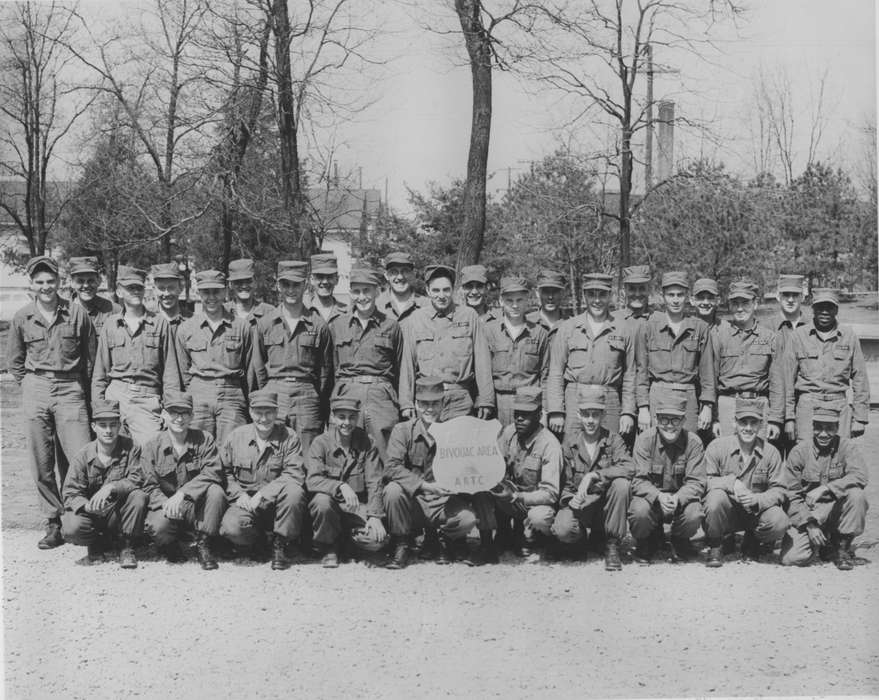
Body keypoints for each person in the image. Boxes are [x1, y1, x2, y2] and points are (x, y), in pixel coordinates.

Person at [7, 255, 95, 549]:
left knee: (80, 455)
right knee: (41, 461)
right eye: (39, 282)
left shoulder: (76, 314)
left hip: (71, 387)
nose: (45, 287)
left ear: (59, 282)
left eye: (50, 281)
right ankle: (53, 521)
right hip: (36, 386)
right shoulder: (22, 317)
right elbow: (15, 362)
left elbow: (91, 359)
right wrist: (32, 385)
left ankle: (80, 517)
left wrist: (81, 389)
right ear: (32, 285)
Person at [384, 377, 498, 566]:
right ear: (415, 404)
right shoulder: (402, 430)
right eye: (424, 404)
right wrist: (425, 486)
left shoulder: (456, 432)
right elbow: (391, 467)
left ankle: (446, 540)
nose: (429, 409)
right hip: (416, 502)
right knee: (392, 491)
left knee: (467, 519)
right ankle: (401, 543)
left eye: (435, 403)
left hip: (444, 502)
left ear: (443, 403)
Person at [305, 395, 408, 568]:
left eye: (352, 417)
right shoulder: (320, 443)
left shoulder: (368, 442)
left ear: (358, 417)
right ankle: (330, 547)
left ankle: (348, 545)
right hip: (332, 509)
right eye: (341, 417)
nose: (347, 422)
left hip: (358, 508)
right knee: (321, 502)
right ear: (332, 417)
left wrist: (375, 516)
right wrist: (340, 486)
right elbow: (313, 480)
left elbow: (375, 481)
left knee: (376, 541)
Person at [218, 389, 308, 570]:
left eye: (269, 413)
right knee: (231, 527)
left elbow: (294, 473)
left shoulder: (289, 437)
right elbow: (223, 472)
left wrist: (263, 494)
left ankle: (280, 543)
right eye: (259, 413)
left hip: (276, 505)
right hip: (246, 503)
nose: (264, 418)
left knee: (295, 492)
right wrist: (238, 494)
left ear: (276, 413)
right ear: (251, 412)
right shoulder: (236, 436)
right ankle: (256, 541)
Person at [92, 265, 181, 446]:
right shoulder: (110, 324)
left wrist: (169, 409)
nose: (135, 291)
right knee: (114, 456)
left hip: (147, 399)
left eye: (138, 288)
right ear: (119, 291)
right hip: (115, 397)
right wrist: (99, 406)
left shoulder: (159, 324)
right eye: (129, 288)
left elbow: (170, 372)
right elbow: (100, 373)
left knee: (151, 451)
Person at [140, 391, 226, 569]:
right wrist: (166, 504)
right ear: (164, 415)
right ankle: (170, 545)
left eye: (184, 413)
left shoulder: (204, 439)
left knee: (216, 492)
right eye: (173, 413)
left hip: (194, 504)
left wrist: (183, 493)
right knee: (157, 526)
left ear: (192, 416)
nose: (179, 418)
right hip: (166, 506)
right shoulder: (151, 446)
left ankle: (204, 543)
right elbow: (148, 485)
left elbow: (213, 471)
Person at [550, 386, 633, 570]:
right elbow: (563, 483)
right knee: (563, 530)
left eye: (595, 415)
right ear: (578, 415)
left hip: (605, 508)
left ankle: (611, 544)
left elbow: (629, 467)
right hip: (581, 507)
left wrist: (595, 475)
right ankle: (581, 539)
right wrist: (571, 500)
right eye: (586, 414)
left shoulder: (613, 440)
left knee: (622, 485)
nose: (590, 420)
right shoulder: (569, 443)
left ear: (603, 416)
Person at [255, 260, 333, 453]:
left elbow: (325, 371)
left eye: (296, 284)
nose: (291, 290)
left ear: (305, 285)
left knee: (308, 453)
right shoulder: (265, 324)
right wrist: (268, 392)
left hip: (306, 395)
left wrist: (315, 396)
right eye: (285, 284)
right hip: (275, 393)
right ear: (277, 285)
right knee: (274, 451)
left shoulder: (318, 325)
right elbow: (257, 367)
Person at [399, 264, 494, 421]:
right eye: (436, 290)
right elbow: (407, 364)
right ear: (428, 291)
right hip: (427, 400)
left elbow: (482, 361)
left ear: (453, 291)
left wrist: (486, 399)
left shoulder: (468, 316)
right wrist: (406, 402)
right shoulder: (416, 319)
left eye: (446, 290)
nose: (441, 295)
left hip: (460, 399)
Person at [60, 399, 148, 568]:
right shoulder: (83, 456)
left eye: (113, 425)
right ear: (94, 427)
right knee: (71, 526)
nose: (108, 430)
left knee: (139, 496)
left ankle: (126, 546)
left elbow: (137, 478)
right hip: (92, 514)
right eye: (103, 425)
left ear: (119, 425)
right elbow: (70, 492)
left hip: (118, 513)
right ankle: (96, 543)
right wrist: (87, 507)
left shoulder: (131, 448)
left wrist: (111, 487)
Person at [175, 269, 261, 443]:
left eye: (216, 291)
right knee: (197, 447)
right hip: (199, 394)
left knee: (234, 446)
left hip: (232, 395)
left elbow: (251, 369)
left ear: (225, 292)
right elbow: (182, 371)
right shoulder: (186, 328)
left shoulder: (242, 327)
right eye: (206, 292)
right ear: (198, 293)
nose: (211, 297)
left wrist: (251, 402)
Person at [547, 272, 636, 439]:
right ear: (584, 295)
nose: (597, 300)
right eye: (591, 294)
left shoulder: (623, 329)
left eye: (602, 294)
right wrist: (556, 410)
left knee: (609, 451)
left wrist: (628, 412)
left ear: (610, 295)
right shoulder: (568, 327)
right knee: (572, 450)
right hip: (575, 398)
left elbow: (630, 374)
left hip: (609, 399)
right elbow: (555, 372)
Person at [327, 263, 403, 458]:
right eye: (356, 291)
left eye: (367, 291)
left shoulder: (391, 326)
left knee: (383, 450)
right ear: (350, 293)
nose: (362, 297)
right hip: (347, 393)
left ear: (377, 291)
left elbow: (400, 368)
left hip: (381, 396)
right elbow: (330, 367)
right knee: (345, 449)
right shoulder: (337, 325)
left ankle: (384, 487)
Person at [701, 398, 788, 568]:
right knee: (715, 498)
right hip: (728, 512)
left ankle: (753, 540)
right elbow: (704, 481)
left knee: (779, 521)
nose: (748, 428)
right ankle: (716, 544)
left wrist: (758, 500)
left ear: (760, 425)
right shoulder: (717, 447)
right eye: (743, 422)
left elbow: (779, 489)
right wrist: (732, 483)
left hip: (755, 513)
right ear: (734, 423)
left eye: (753, 422)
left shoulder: (770, 452)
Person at [780, 404, 869, 570]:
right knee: (791, 558)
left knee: (857, 495)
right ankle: (824, 545)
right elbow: (791, 495)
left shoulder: (847, 447)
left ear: (837, 428)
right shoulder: (799, 452)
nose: (823, 434)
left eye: (829, 428)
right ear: (812, 427)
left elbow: (861, 476)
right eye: (819, 428)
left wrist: (826, 488)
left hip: (837, 507)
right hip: (810, 511)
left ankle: (842, 548)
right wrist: (810, 525)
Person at [628, 391, 706, 564]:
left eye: (675, 420)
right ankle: (647, 540)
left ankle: (679, 540)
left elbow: (697, 481)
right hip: (653, 501)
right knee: (638, 510)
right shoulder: (644, 440)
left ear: (684, 421)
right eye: (664, 419)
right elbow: (638, 480)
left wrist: (678, 498)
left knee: (694, 512)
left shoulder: (693, 443)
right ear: (656, 420)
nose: (669, 425)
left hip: (680, 501)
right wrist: (658, 496)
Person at [783, 288, 869, 441]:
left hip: (838, 406)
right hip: (808, 406)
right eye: (820, 307)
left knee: (838, 457)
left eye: (829, 307)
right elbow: (787, 381)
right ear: (813, 309)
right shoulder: (798, 336)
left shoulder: (849, 336)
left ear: (836, 309)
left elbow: (860, 378)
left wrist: (860, 418)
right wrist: (789, 418)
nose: (824, 311)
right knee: (807, 457)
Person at [636, 270, 715, 434]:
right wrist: (643, 407)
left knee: (688, 446)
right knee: (656, 447)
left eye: (680, 295)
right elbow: (641, 371)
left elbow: (707, 372)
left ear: (687, 296)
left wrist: (707, 406)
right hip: (658, 395)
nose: (675, 300)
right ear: (662, 295)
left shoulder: (699, 327)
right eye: (671, 295)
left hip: (688, 396)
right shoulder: (649, 326)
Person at [490, 386, 561, 560]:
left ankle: (544, 538)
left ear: (539, 415)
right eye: (517, 413)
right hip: (513, 496)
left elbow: (551, 494)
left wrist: (519, 496)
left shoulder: (550, 445)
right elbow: (496, 466)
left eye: (526, 414)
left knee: (539, 517)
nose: (519, 419)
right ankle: (504, 533)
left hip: (536, 501)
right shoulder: (509, 433)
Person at [711, 280, 783, 439]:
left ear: (755, 304)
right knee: (727, 456)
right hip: (727, 405)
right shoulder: (719, 336)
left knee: (757, 459)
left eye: (745, 303)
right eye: (735, 303)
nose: (740, 308)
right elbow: (711, 380)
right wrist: (715, 418)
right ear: (729, 305)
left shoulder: (769, 337)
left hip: (758, 405)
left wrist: (775, 420)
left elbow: (776, 382)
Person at [483, 275, 550, 427]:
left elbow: (545, 376)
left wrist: (545, 410)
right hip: (499, 403)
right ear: (501, 301)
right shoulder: (489, 331)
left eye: (519, 300)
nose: (515, 305)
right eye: (509, 301)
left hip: (530, 402)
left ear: (527, 300)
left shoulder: (540, 333)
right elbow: (483, 373)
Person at [68, 256, 119, 337]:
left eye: (91, 280)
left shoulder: (114, 311)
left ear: (99, 281)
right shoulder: (63, 313)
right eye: (80, 281)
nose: (86, 285)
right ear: (71, 283)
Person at [377, 251, 427, 327]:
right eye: (394, 272)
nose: (400, 277)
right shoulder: (375, 306)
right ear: (386, 275)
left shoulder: (427, 306)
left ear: (413, 274)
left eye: (405, 271)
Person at [226, 258, 275, 326]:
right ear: (230, 285)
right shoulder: (222, 311)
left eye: (248, 281)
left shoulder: (269, 312)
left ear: (255, 282)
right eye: (238, 282)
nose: (244, 286)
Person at [526, 269, 570, 341]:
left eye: (555, 291)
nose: (550, 297)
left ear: (562, 293)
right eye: (546, 291)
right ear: (537, 293)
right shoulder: (526, 323)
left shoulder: (572, 325)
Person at [306, 252, 347, 323]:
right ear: (312, 279)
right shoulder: (302, 312)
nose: (325, 281)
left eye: (329, 276)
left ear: (337, 279)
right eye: (320, 276)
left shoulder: (347, 313)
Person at [614, 264, 652, 335]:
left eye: (642, 288)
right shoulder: (612, 320)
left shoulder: (661, 320)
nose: (637, 294)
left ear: (648, 290)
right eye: (632, 289)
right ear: (624, 291)